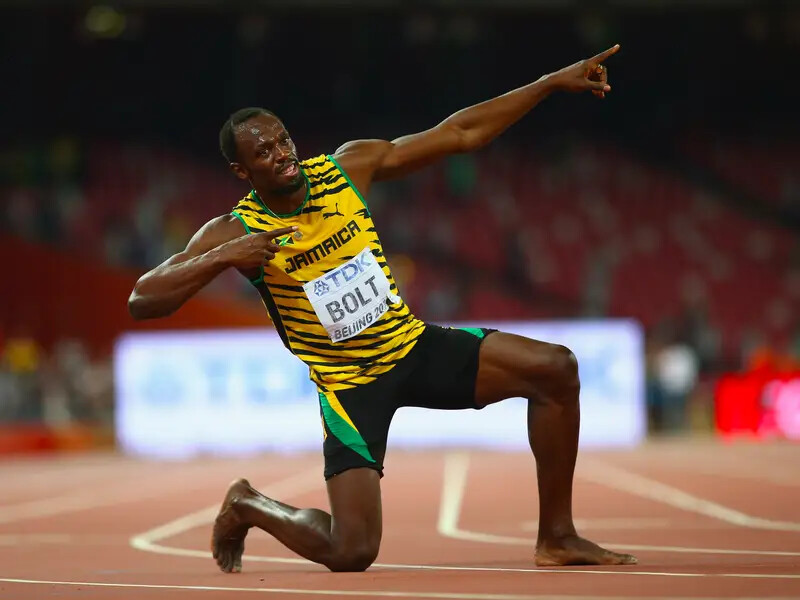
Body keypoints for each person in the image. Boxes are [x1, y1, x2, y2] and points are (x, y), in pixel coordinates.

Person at [128, 44, 637, 572]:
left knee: (556, 368)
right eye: (264, 152)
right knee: (351, 551)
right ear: (241, 170)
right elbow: (143, 300)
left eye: (284, 140)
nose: (282, 154)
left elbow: (460, 133)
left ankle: (557, 537)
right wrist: (224, 256)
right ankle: (248, 503)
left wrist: (549, 81)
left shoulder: (347, 168)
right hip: (350, 388)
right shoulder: (234, 229)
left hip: (411, 346)